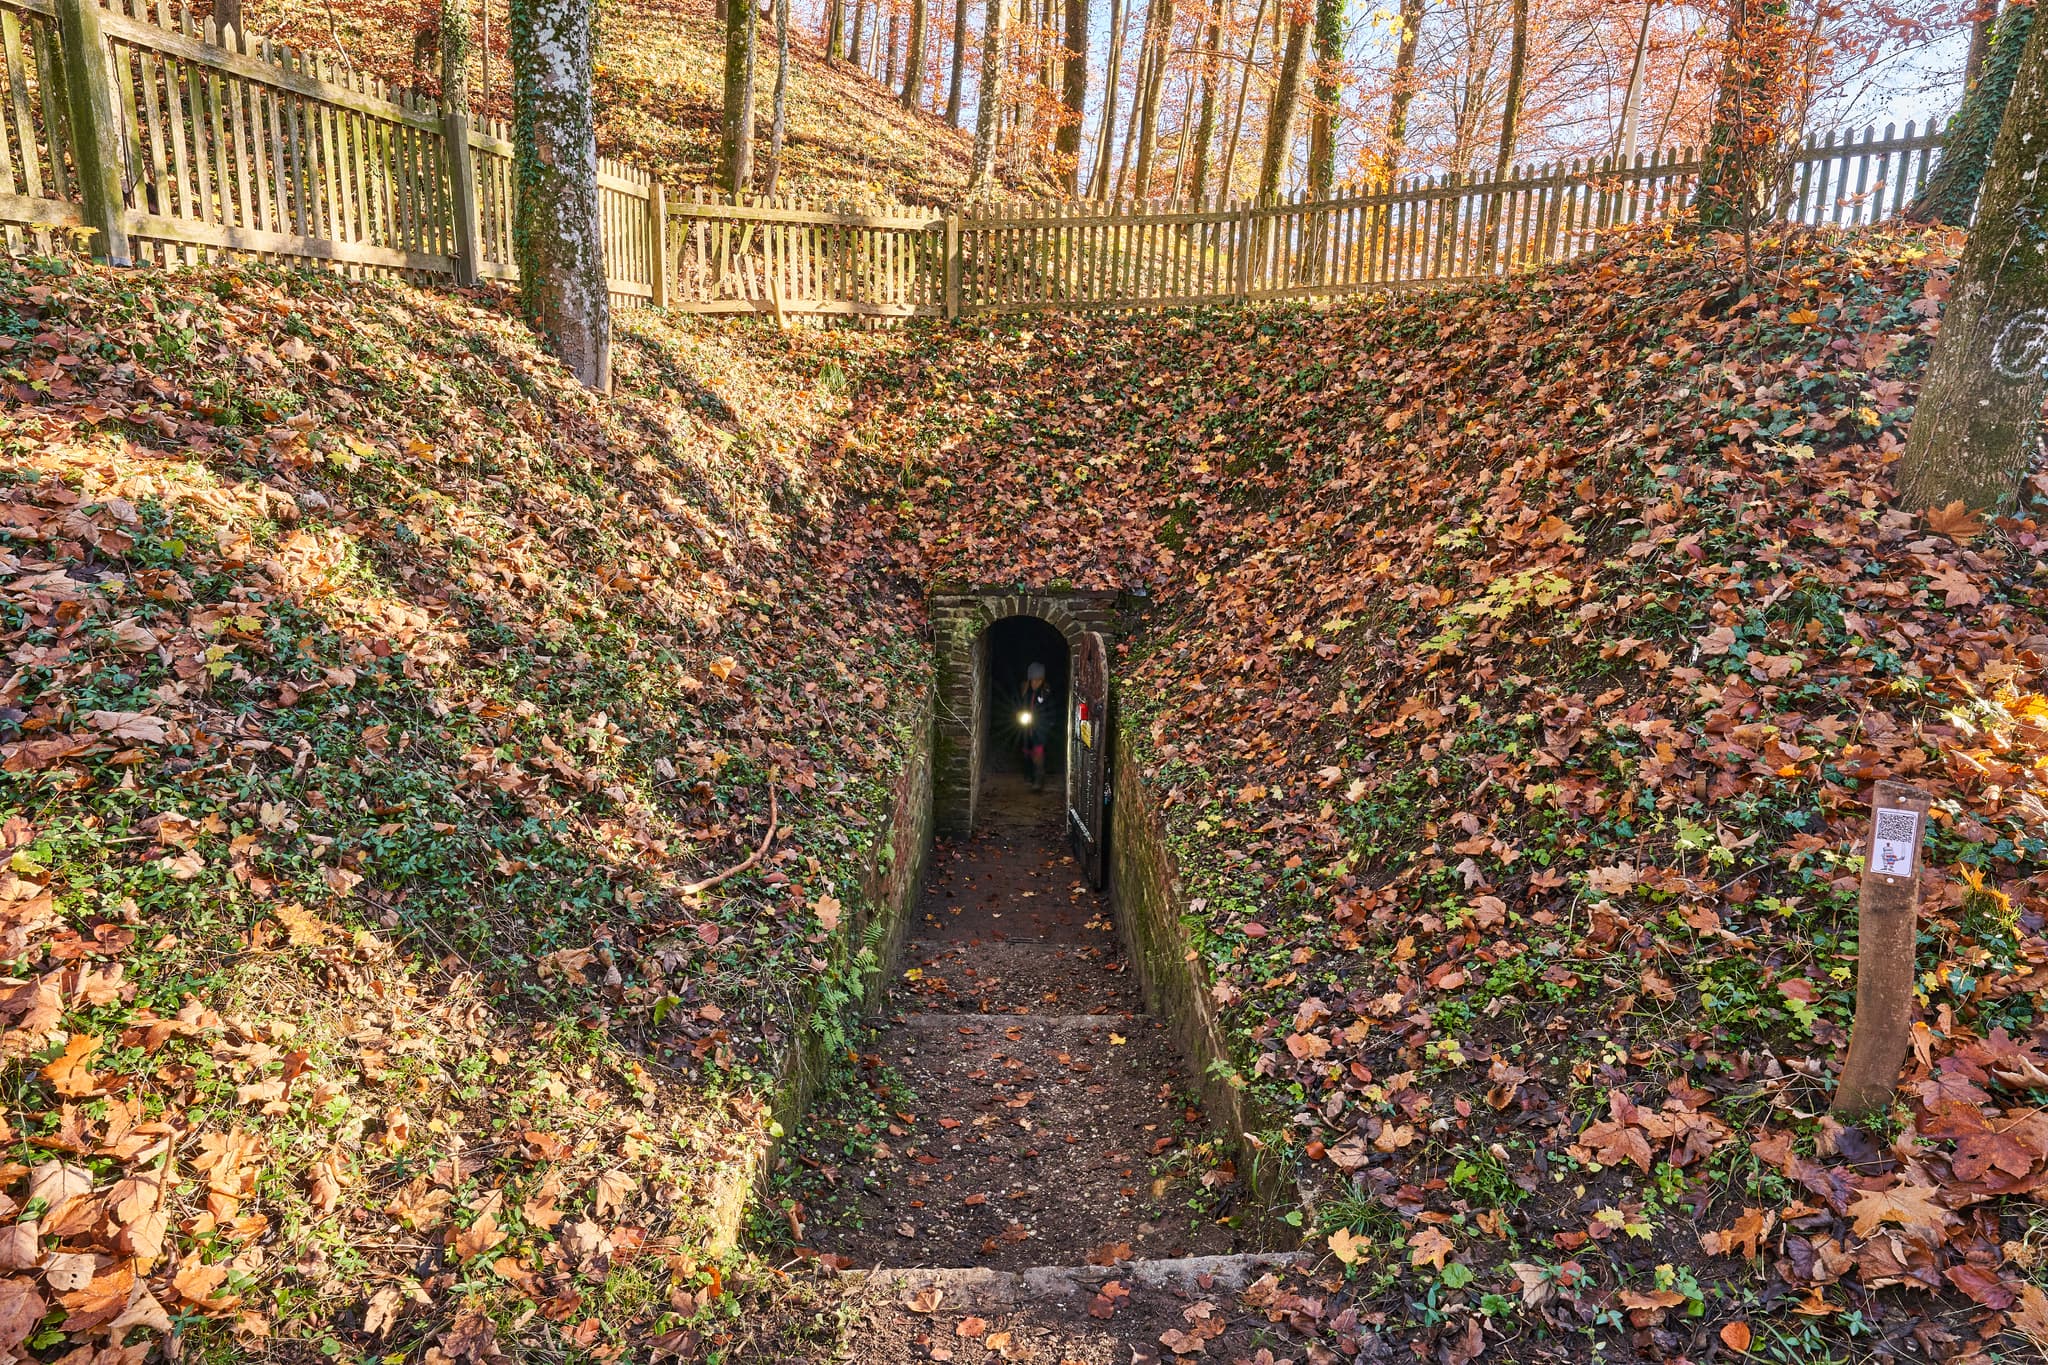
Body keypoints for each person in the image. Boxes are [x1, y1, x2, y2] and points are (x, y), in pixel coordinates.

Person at [1018, 662, 1052, 791]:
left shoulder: (1045, 693)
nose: (1035, 683)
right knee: (1027, 751)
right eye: (1033, 680)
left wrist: (1047, 724)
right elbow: (1020, 705)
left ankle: (1039, 779)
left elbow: (1050, 710)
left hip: (1040, 728)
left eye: (1038, 680)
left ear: (1042, 680)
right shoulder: (1026, 691)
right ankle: (1029, 775)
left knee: (1038, 753)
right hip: (1027, 728)